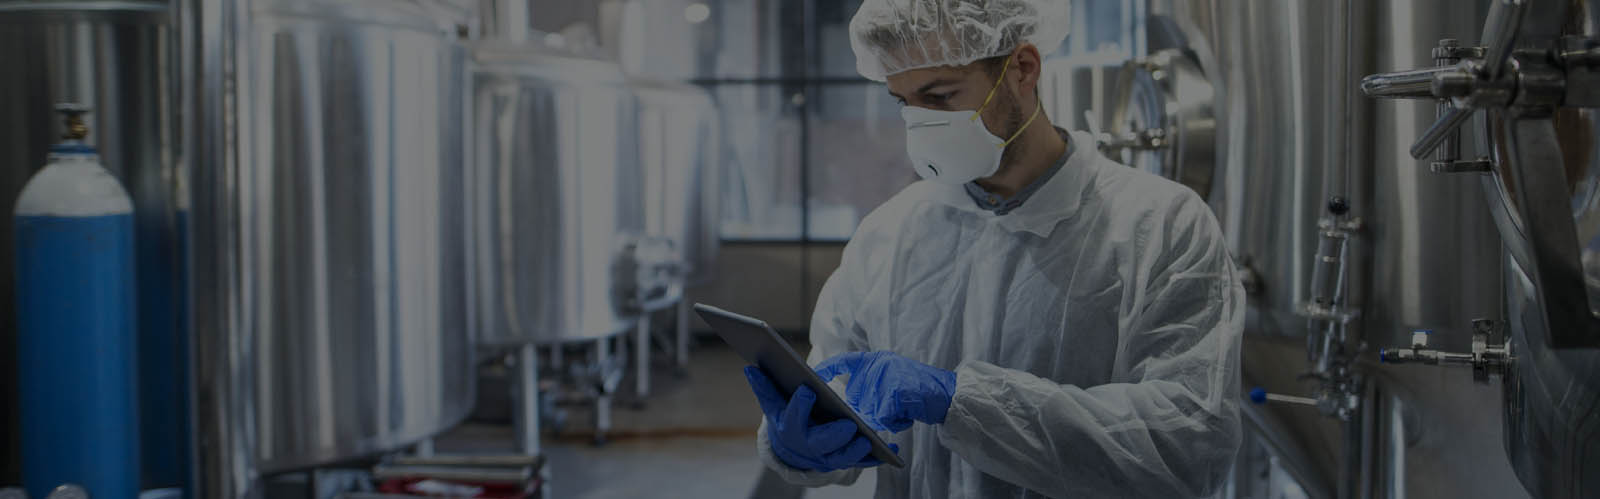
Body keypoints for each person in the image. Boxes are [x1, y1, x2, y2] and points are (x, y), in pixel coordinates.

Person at [741, 0, 1246, 497]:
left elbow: (1187, 444)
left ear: (1022, 69)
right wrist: (799, 442)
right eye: (904, 102)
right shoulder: (889, 233)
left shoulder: (1158, 225)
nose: (920, 123)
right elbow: (835, 388)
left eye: (939, 96)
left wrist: (961, 402)